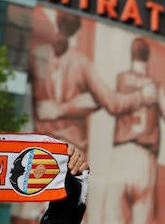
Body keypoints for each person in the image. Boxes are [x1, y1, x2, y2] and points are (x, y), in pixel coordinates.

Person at [30, 10, 153, 156]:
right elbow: (113, 104)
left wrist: (63, 107)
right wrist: (141, 96)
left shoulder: (38, 56)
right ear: (78, 33)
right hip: (71, 152)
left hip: (39, 149)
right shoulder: (81, 64)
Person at [100, 36, 165, 224]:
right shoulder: (156, 86)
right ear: (148, 58)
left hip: (121, 155)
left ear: (131, 55)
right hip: (145, 161)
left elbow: (110, 102)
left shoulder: (120, 78)